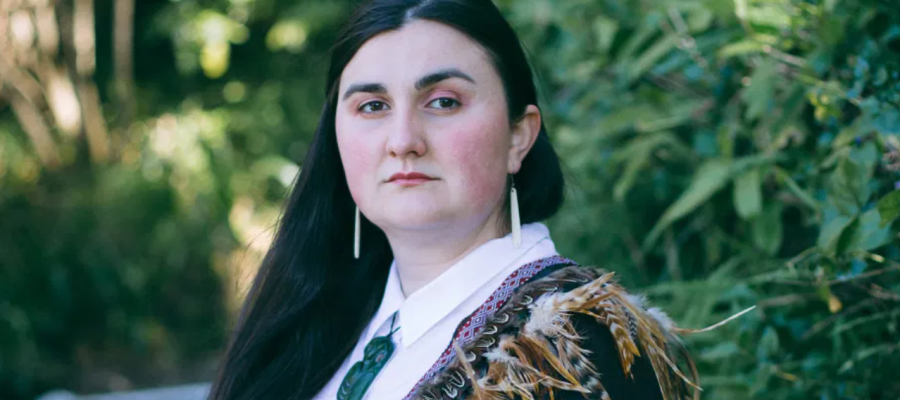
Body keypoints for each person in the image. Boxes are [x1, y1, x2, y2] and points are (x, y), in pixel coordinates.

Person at [208, 0, 699, 399]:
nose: (403, 140)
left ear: (519, 136)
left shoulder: (578, 346)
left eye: (444, 102)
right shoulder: (320, 320)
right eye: (372, 106)